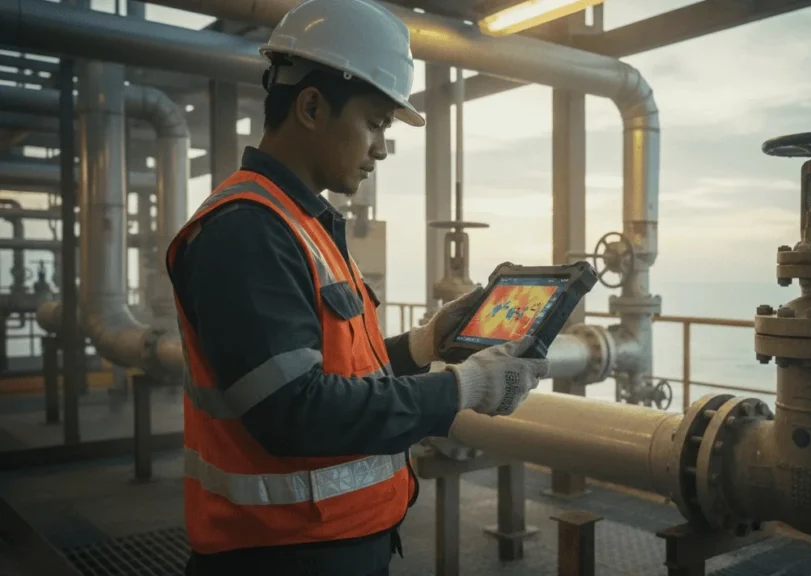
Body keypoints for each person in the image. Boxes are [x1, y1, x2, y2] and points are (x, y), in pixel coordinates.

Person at [165, 1, 549, 574]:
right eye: (374, 123)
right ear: (313, 106)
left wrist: (425, 345)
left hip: (325, 544)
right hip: (280, 556)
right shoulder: (246, 231)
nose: (381, 148)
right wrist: (464, 389)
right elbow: (294, 411)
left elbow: (335, 374)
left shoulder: (298, 224)